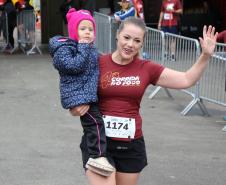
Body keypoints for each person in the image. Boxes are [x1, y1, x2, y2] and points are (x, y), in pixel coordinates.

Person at [69, 16, 217, 185]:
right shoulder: (96, 63)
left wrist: (205, 55)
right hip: (98, 143)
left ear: (141, 44)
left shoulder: (147, 68)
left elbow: (186, 80)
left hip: (130, 146)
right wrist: (74, 107)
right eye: (126, 37)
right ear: (117, 35)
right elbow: (73, 91)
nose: (130, 44)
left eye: (136, 40)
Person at [49, 8, 115, 177]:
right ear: (73, 31)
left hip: (87, 94)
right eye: (83, 29)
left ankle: (96, 154)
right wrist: (84, 47)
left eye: (90, 29)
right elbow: (74, 66)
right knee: (95, 124)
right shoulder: (64, 48)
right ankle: (97, 156)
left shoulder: (89, 48)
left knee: (93, 125)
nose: (87, 32)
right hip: (78, 95)